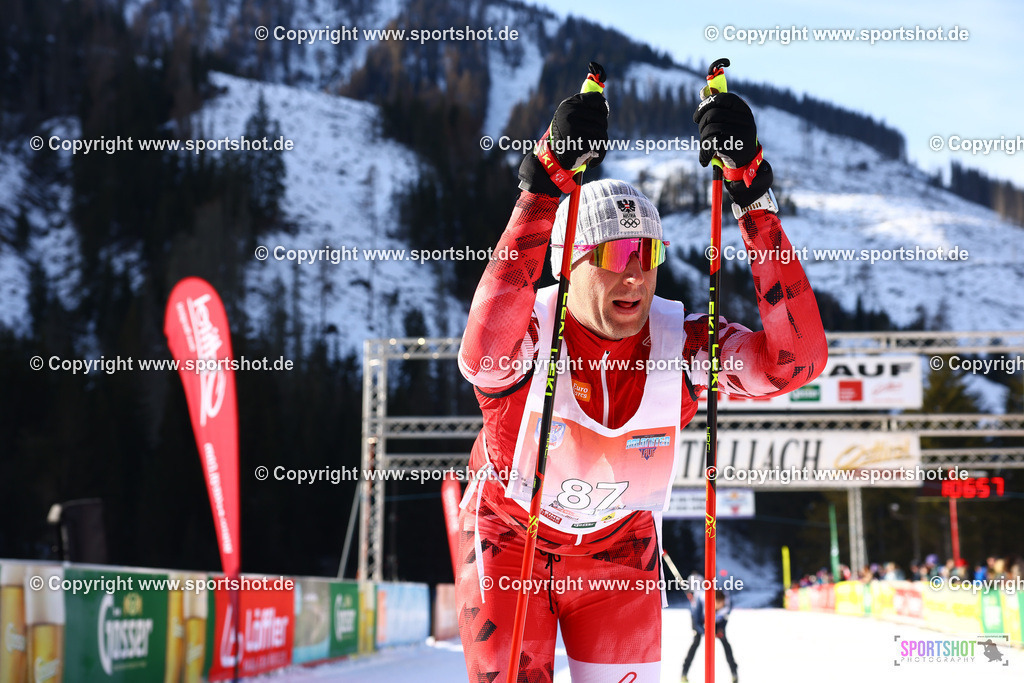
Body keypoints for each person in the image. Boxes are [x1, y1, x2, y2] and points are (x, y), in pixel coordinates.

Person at [454, 75, 828, 682]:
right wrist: (544, 186)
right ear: (567, 268)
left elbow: (797, 363)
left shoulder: (684, 346)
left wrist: (751, 194)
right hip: (511, 544)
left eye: (648, 254)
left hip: (617, 554)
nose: (636, 275)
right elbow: (482, 354)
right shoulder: (529, 333)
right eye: (614, 255)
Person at [682, 588, 738, 682]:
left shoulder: (727, 603)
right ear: (713, 602)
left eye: (721, 605)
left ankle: (734, 673)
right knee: (696, 642)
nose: (720, 607)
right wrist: (707, 633)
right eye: (718, 605)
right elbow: (697, 623)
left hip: (716, 621)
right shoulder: (700, 602)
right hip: (700, 619)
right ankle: (684, 673)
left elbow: (724, 618)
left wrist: (720, 630)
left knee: (725, 643)